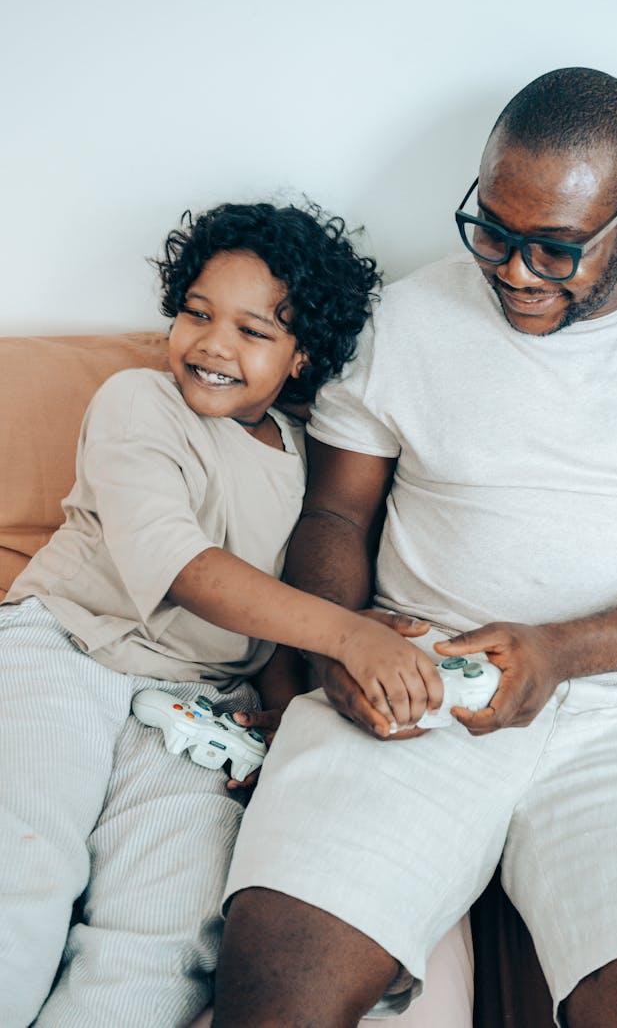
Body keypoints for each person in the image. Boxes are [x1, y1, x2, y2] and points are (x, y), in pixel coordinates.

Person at [213, 68, 617, 1028]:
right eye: (493, 231)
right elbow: (336, 516)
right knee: (275, 992)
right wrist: (342, 641)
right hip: (417, 682)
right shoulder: (406, 317)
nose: (511, 270)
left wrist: (560, 652)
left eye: (554, 250)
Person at [0, 199, 454, 1028]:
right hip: (64, 649)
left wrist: (282, 709)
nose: (211, 344)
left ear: (300, 355)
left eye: (253, 330)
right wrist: (350, 633)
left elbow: (272, 609)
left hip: (198, 707)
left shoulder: (302, 460)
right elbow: (184, 567)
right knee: (20, 864)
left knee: (166, 934)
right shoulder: (137, 400)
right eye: (197, 314)